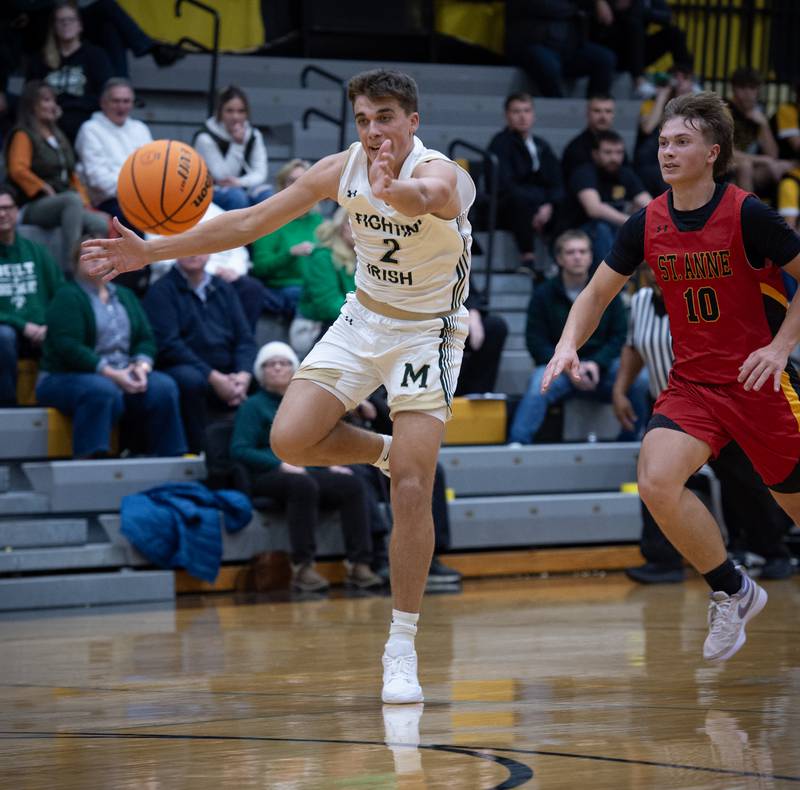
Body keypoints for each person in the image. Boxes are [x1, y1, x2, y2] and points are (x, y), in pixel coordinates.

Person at [82, 68, 476, 705]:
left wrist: (394, 189)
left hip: (429, 333)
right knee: (289, 439)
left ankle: (401, 646)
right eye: (363, 119)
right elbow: (248, 222)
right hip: (363, 318)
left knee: (413, 487)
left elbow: (427, 197)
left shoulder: (447, 174)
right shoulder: (339, 169)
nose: (373, 131)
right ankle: (383, 451)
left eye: (384, 118)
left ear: (412, 121)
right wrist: (150, 252)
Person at [541, 91, 800, 663]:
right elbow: (597, 294)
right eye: (662, 142)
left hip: (758, 383)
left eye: (682, 141)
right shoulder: (647, 222)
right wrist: (566, 344)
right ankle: (734, 590)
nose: (667, 151)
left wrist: (781, 347)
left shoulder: (748, 214)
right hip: (694, 386)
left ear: (713, 152)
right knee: (656, 481)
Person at [613, 267, 794, 583]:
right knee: (655, 480)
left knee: (747, 482)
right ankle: (664, 560)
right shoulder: (640, 301)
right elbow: (633, 347)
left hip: (723, 401)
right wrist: (619, 390)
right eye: (651, 266)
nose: (657, 271)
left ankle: (771, 551)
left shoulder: (703, 292)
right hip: (669, 406)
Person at [231, 341, 384, 592]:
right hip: (267, 474)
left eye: (284, 363)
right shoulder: (253, 406)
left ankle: (360, 564)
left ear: (294, 369)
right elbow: (240, 449)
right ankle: (302, 567)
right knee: (302, 484)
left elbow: (316, 442)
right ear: (260, 372)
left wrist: (328, 464)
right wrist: (279, 463)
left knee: (351, 483)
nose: (277, 368)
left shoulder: (303, 405)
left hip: (305, 468)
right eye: (271, 364)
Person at [36, 240, 186, 459]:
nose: (96, 259)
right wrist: (113, 374)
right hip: (64, 376)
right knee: (101, 390)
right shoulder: (66, 296)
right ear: (74, 263)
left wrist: (141, 367)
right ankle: (91, 460)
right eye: (88, 254)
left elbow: (145, 338)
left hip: (122, 371)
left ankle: (169, 459)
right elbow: (68, 348)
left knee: (163, 386)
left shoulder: (126, 295)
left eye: (102, 254)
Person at [508, 229, 647, 444]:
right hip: (560, 369)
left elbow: (619, 337)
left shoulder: (607, 291)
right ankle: (517, 444)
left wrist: (597, 363)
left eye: (582, 251)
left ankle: (633, 441)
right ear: (559, 258)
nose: (577, 257)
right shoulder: (543, 294)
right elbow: (535, 342)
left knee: (640, 380)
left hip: (601, 369)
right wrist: (567, 366)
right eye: (571, 252)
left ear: (591, 257)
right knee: (537, 385)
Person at [142, 253, 257, 455]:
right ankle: (198, 451)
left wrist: (243, 375)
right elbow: (169, 346)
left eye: (198, 247)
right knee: (191, 380)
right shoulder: (161, 290)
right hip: (185, 366)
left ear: (210, 252)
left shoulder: (223, 288)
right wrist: (213, 377)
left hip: (227, 368)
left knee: (271, 373)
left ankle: (260, 453)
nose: (193, 253)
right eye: (186, 247)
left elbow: (245, 339)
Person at [5, 80, 110, 273]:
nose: (52, 105)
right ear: (32, 105)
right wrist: (42, 186)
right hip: (32, 204)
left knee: (99, 223)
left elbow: (71, 175)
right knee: (71, 200)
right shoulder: (23, 134)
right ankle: (73, 267)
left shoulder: (58, 135)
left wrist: (87, 204)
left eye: (53, 100)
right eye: (46, 100)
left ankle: (96, 271)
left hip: (63, 201)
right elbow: (17, 169)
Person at [0, 185, 64, 405]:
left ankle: (54, 400)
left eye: (7, 208)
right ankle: (7, 408)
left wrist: (49, 325)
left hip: (41, 329)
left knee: (66, 331)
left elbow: (60, 293)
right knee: (4, 337)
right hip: (8, 333)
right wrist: (22, 325)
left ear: (17, 211)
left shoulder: (36, 251)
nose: (2, 214)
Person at [487, 92, 563, 277]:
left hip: (540, 203)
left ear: (533, 115)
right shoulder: (499, 143)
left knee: (567, 201)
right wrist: (537, 207)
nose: (522, 116)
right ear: (507, 115)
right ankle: (528, 259)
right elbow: (504, 184)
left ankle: (561, 258)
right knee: (517, 200)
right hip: (509, 206)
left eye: (527, 111)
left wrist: (548, 205)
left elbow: (556, 180)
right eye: (516, 111)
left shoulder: (541, 145)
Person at [26, 1, 113, 143]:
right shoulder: (40, 59)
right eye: (60, 20)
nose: (66, 24)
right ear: (54, 26)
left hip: (85, 124)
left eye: (71, 19)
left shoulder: (96, 56)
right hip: (48, 122)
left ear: (80, 25)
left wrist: (68, 107)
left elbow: (105, 96)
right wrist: (51, 109)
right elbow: (30, 94)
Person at [564, 129, 651, 268]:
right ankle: (610, 276)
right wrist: (631, 222)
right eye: (608, 152)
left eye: (619, 152)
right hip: (580, 232)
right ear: (595, 154)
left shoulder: (625, 174)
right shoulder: (584, 173)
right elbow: (594, 209)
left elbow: (649, 205)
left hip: (616, 229)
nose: (614, 158)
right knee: (602, 229)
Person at [75, 77, 152, 230]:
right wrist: (136, 189)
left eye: (126, 101)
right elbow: (98, 180)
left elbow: (154, 168)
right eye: (116, 101)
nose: (121, 106)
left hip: (145, 197)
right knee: (139, 220)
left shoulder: (140, 128)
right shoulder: (90, 129)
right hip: (109, 201)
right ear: (103, 103)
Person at [250, 158, 321, 320]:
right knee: (305, 297)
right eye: (292, 181)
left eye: (304, 180)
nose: (299, 186)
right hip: (283, 288)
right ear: (282, 186)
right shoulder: (270, 221)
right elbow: (260, 269)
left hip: (315, 286)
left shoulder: (316, 220)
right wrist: (290, 254)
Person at [504, 0, 617, 99]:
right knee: (548, 64)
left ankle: (596, 106)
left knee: (605, 59)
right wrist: (576, 7)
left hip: (569, 47)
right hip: (535, 46)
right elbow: (545, 6)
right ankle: (559, 103)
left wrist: (598, 1)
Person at [590, 0, 693, 100]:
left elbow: (667, 17)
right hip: (612, 51)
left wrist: (641, 10)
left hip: (638, 52)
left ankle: (685, 78)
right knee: (633, 25)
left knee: (675, 33)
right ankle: (639, 82)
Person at [289, 207, 356, 357]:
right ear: (343, 226)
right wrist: (366, 319)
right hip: (315, 329)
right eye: (356, 223)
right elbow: (328, 305)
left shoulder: (364, 258)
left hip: (350, 324)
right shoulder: (323, 256)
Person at [194, 85, 272, 212]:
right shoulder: (205, 137)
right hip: (211, 191)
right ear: (220, 112)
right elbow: (223, 176)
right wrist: (237, 144)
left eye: (241, 111)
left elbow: (260, 173)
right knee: (237, 197)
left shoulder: (254, 135)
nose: (236, 117)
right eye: (229, 111)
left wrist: (240, 182)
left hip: (242, 185)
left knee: (267, 196)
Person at [634, 62, 700, 197]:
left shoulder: (696, 108)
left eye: (685, 78)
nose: (680, 81)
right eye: (675, 77)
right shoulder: (651, 102)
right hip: (652, 161)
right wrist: (662, 96)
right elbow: (647, 128)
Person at [727, 67, 793, 196]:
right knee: (745, 166)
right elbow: (727, 152)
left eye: (752, 88)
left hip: (751, 168)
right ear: (733, 89)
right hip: (724, 168)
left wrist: (763, 125)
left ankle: (785, 205)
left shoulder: (758, 113)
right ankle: (749, 209)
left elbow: (772, 155)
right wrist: (762, 160)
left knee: (786, 166)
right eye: (743, 88)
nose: (748, 93)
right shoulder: (725, 111)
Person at [561, 94, 628, 183]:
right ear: (587, 113)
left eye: (608, 111)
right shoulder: (575, 148)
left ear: (613, 114)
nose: (603, 116)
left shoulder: (617, 144)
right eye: (597, 111)